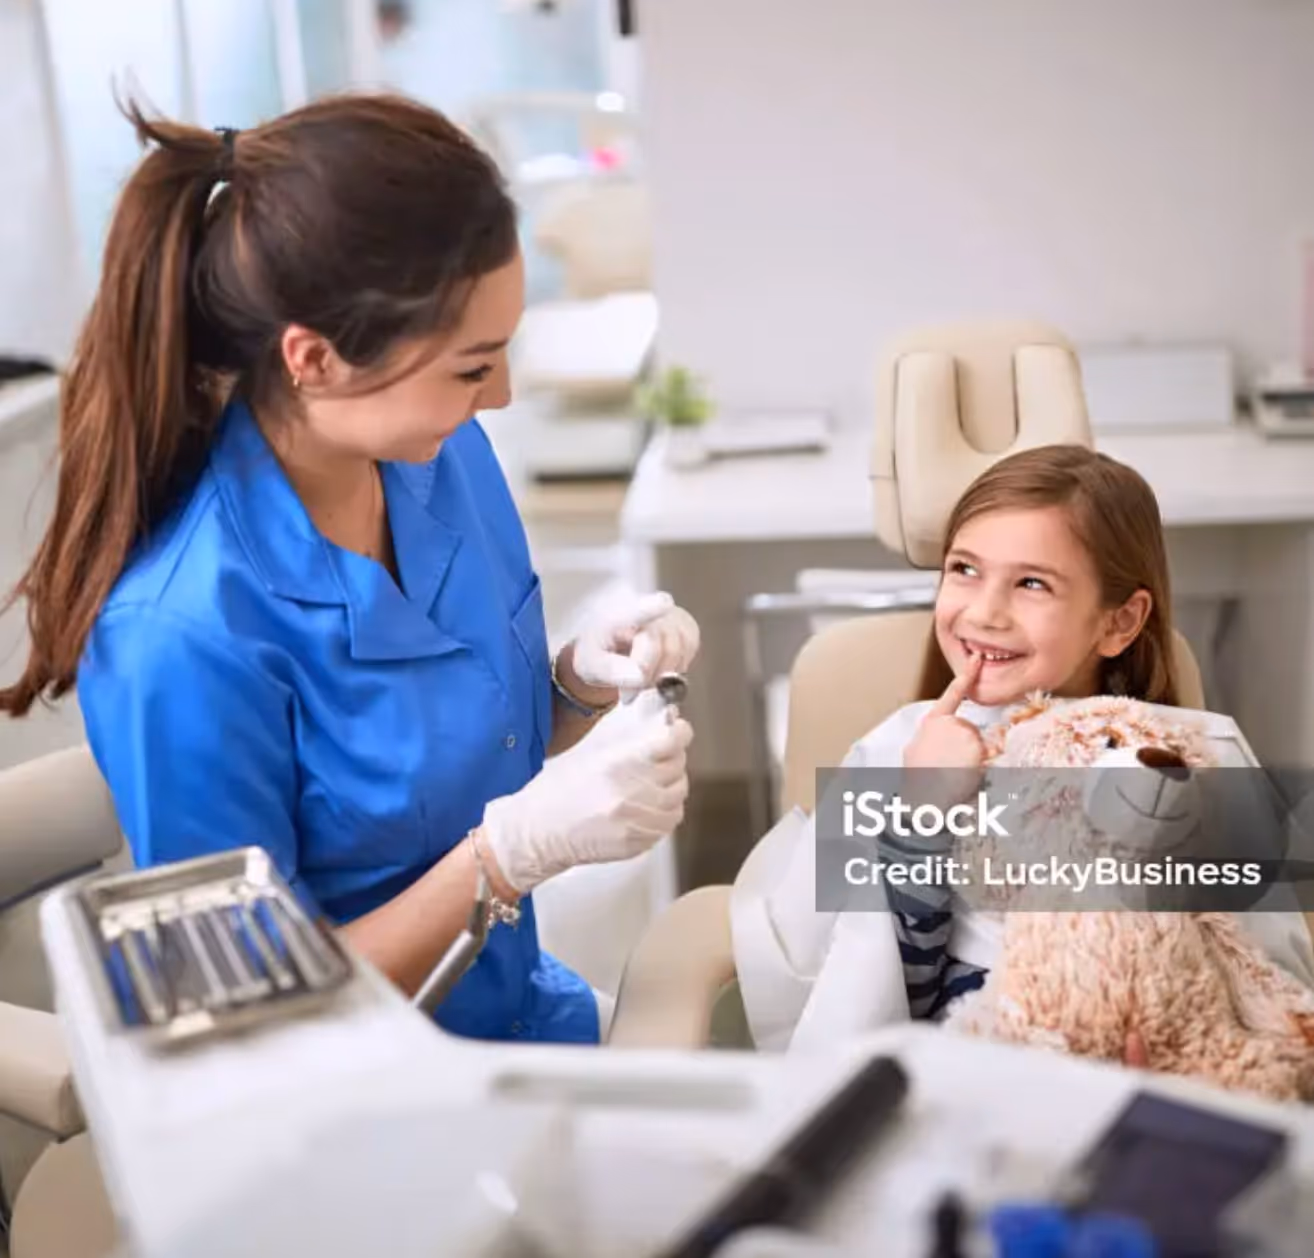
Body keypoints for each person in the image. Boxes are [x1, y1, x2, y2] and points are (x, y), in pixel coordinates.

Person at [0, 94, 701, 1046]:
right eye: (470, 367)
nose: (501, 396)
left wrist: (575, 684)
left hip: (519, 1019)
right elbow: (244, 1014)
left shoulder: (439, 462)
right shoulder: (182, 635)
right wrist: (503, 859)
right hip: (346, 1109)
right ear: (314, 359)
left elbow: (468, 752)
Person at [733, 445, 1190, 1059]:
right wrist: (924, 814)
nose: (983, 612)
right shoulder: (900, 748)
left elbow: (1241, 972)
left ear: (1120, 621)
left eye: (1032, 583)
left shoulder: (1173, 759)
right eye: (963, 569)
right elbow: (876, 996)